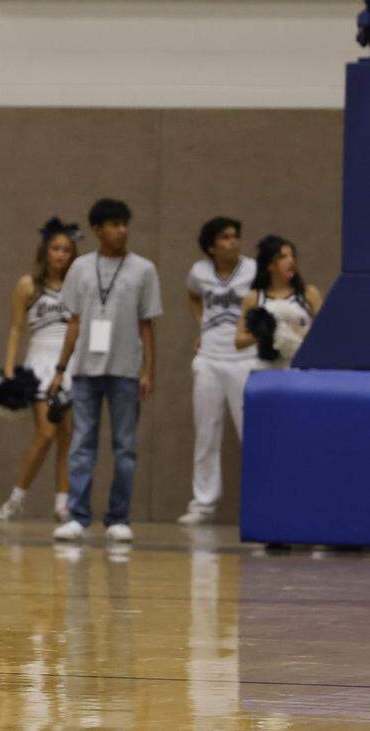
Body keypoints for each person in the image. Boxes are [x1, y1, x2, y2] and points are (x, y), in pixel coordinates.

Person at [49, 199, 162, 544]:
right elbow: (73, 322)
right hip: (84, 369)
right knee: (81, 443)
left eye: (125, 223)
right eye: (113, 224)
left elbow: (147, 325)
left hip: (126, 370)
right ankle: (77, 517)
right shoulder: (81, 268)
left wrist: (148, 370)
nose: (121, 230)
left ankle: (119, 517)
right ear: (97, 230)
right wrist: (60, 368)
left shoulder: (144, 269)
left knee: (125, 446)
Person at [0, 218, 80, 523]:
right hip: (41, 363)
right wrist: (8, 370)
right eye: (56, 248)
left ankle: (62, 504)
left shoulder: (77, 286)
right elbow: (17, 328)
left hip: (72, 363)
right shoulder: (28, 285)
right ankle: (17, 497)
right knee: (45, 433)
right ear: (45, 250)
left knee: (67, 436)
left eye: (67, 250)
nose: (61, 255)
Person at [177, 217, 257, 525]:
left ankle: (260, 500)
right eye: (225, 237)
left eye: (235, 236)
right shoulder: (199, 273)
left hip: (244, 358)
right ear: (211, 247)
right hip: (209, 358)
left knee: (251, 433)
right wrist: (202, 326)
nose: (233, 241)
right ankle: (203, 504)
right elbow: (193, 297)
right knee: (206, 433)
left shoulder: (253, 270)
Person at [235, 235, 322, 369]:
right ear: (270, 265)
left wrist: (299, 333)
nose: (291, 261)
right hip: (268, 369)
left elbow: (325, 333)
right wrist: (263, 333)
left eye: (292, 256)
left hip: (302, 368)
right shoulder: (254, 297)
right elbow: (238, 341)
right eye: (283, 257)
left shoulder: (309, 293)